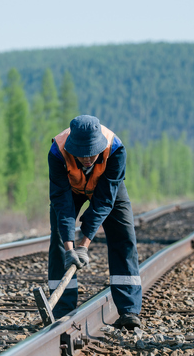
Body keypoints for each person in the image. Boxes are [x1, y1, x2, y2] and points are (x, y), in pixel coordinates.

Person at [47, 115, 142, 329]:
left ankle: (129, 310)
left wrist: (84, 245)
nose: (88, 158)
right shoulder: (57, 153)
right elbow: (61, 203)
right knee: (59, 242)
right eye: (83, 154)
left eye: (92, 152)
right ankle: (62, 310)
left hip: (107, 190)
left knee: (124, 237)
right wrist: (70, 247)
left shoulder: (116, 150)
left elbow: (104, 201)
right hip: (70, 189)